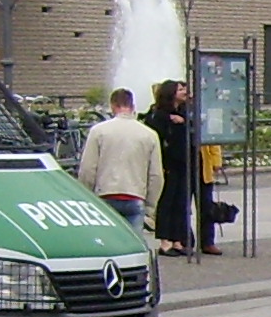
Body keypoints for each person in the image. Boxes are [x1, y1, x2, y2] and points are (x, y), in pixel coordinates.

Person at [77, 89, 161, 229]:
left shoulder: (98, 131)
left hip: (105, 194)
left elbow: (88, 169)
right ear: (133, 106)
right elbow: (156, 175)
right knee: (133, 239)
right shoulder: (150, 135)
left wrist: (87, 196)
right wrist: (150, 205)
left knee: (107, 239)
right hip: (135, 195)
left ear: (112, 106)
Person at [144, 78, 197, 257]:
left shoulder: (184, 111)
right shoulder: (159, 114)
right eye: (180, 89)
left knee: (181, 202)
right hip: (168, 164)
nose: (184, 92)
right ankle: (165, 241)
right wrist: (169, 120)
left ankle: (178, 239)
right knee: (167, 201)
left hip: (184, 163)